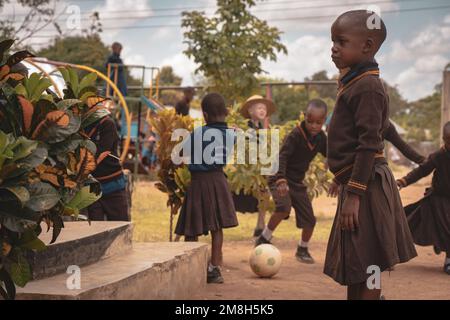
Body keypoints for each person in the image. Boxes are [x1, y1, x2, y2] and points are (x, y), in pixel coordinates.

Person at [323, 10, 417, 300]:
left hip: (368, 188)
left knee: (371, 263)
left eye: (341, 41)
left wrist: (354, 194)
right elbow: (358, 140)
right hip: (358, 183)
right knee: (359, 262)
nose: (334, 48)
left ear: (367, 46)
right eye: (332, 41)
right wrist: (343, 179)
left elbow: (368, 144)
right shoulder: (354, 82)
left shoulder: (368, 88)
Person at [174, 93, 238, 284]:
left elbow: (181, 155)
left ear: (205, 115)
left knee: (191, 226)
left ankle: (190, 266)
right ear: (226, 113)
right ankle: (215, 268)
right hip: (218, 181)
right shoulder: (231, 135)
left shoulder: (198, 133)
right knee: (216, 227)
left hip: (199, 182)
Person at [255, 99, 328, 264]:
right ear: (304, 117)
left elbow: (330, 152)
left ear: (324, 120)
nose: (314, 126)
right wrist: (280, 180)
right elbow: (283, 157)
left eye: (318, 122)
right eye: (310, 121)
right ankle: (263, 239)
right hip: (278, 176)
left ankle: (302, 249)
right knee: (284, 208)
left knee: (310, 219)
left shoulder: (321, 138)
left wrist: (331, 159)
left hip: (296, 181)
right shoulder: (295, 135)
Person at [397, 121, 450, 275]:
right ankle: (448, 262)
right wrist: (403, 181)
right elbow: (422, 170)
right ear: (443, 139)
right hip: (439, 200)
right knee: (408, 221)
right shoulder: (438, 156)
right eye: (448, 140)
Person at [233, 95, 276, 237]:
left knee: (264, 194)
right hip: (246, 168)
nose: (262, 110)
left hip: (260, 167)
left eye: (264, 108)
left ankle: (260, 225)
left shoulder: (265, 128)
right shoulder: (245, 126)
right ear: (251, 111)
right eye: (259, 107)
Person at [84, 105, 130, 221]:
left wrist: (83, 170)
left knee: (119, 227)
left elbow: (103, 153)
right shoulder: (79, 125)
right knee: (95, 231)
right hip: (92, 188)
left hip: (112, 185)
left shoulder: (107, 123)